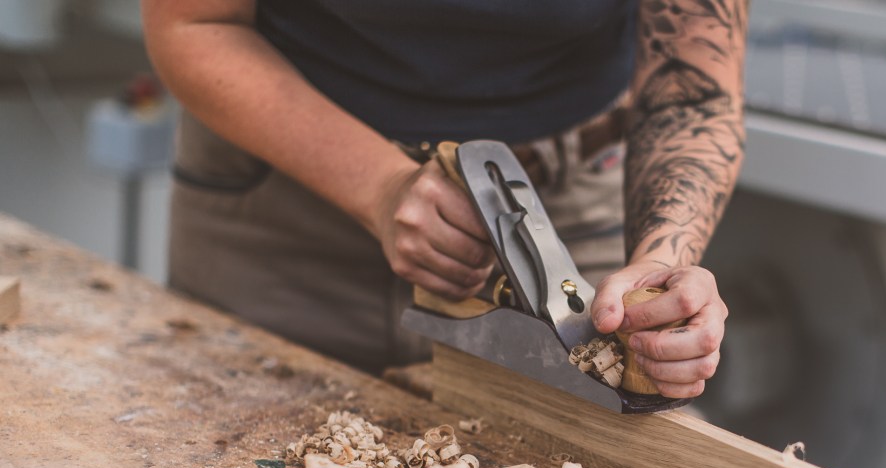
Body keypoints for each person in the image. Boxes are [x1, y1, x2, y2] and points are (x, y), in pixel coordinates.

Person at [143, 1, 745, 399]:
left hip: (555, 203)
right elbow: (197, 22)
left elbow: (693, 91)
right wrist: (379, 185)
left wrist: (662, 262)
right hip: (285, 179)